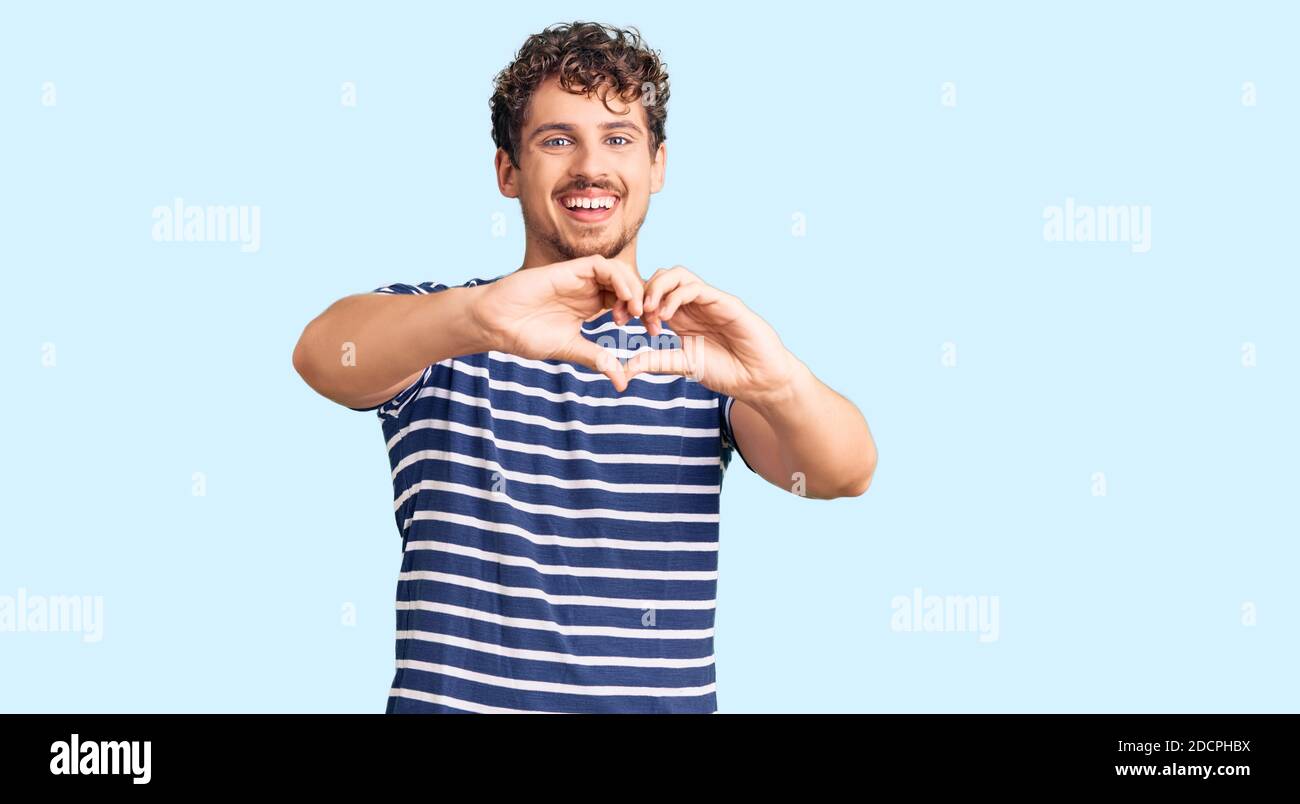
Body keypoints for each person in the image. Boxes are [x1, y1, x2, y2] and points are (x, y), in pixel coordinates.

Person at [292, 21, 877, 713]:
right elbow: (324, 356)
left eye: (618, 138)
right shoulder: (440, 329)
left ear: (657, 165)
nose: (589, 167)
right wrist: (478, 317)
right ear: (508, 170)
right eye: (557, 139)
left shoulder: (702, 351)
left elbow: (844, 473)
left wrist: (776, 378)